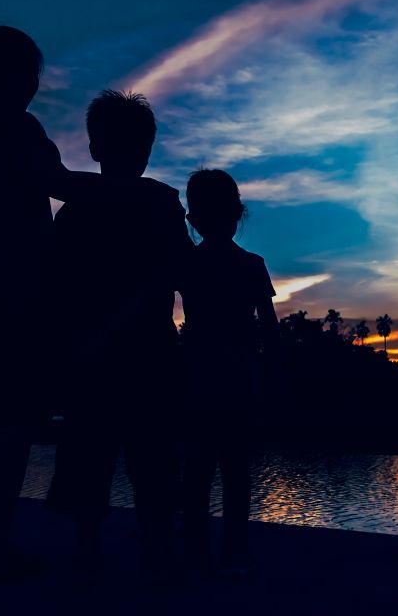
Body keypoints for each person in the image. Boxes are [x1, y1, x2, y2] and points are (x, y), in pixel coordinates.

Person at [0, 26, 108, 582]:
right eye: (31, 74)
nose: (36, 85)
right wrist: (135, 191)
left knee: (1, 421)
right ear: (10, 76)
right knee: (9, 425)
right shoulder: (11, 128)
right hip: (11, 302)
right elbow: (59, 184)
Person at [45, 91, 191, 578]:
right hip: (146, 351)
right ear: (146, 151)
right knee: (152, 459)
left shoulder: (73, 211)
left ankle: (90, 554)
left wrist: (81, 340)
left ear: (94, 148)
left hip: (95, 355)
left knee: (92, 457)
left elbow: (55, 284)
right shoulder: (162, 203)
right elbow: (174, 273)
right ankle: (158, 553)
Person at [179, 169, 279, 576]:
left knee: (197, 472)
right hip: (239, 378)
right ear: (237, 213)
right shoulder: (252, 265)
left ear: (194, 218)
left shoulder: (187, 264)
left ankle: (196, 553)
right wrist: (274, 381)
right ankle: (235, 551)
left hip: (198, 378)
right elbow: (270, 331)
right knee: (236, 473)